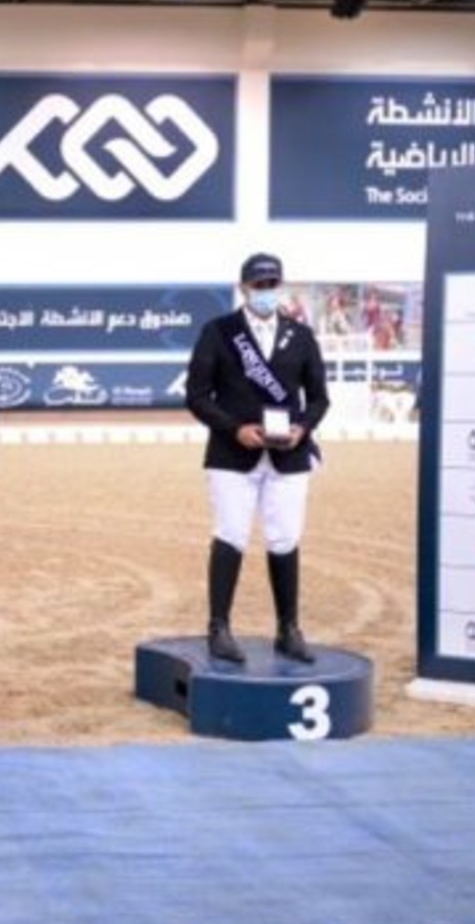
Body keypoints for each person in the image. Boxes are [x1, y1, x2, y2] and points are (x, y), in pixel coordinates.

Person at [184, 253, 330, 665]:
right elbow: (196, 396)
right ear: (244, 287)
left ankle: (288, 629)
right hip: (233, 454)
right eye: (259, 285)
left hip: (288, 455)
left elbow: (319, 397)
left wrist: (303, 427)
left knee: (285, 537)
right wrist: (234, 429)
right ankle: (219, 628)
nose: (266, 292)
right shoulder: (219, 333)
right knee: (230, 533)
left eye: (272, 284)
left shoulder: (300, 335)